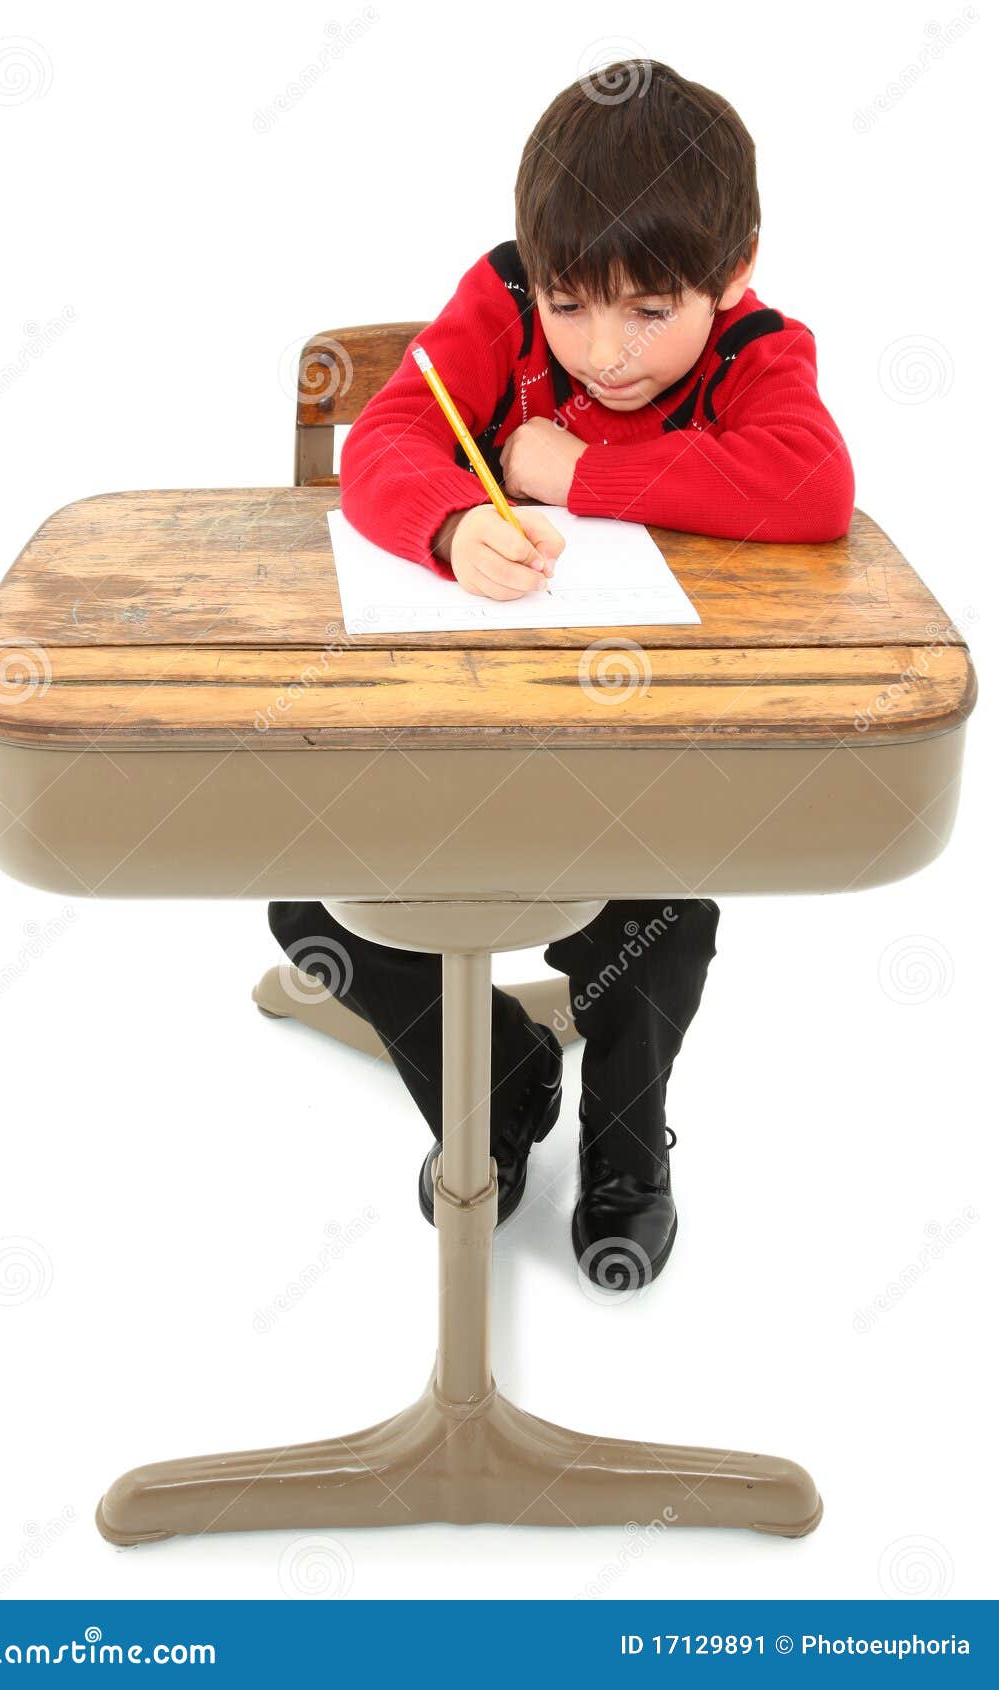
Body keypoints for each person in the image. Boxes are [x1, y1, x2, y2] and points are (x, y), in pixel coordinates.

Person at [270, 58, 854, 1288]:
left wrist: (573, 474)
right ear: (533, 271)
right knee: (304, 897)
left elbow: (809, 486)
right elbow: (385, 438)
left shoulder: (756, 348)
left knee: (658, 909)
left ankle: (627, 1143)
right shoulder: (498, 298)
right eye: (572, 305)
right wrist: (448, 522)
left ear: (732, 271)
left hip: (638, 747)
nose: (603, 352)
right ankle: (496, 1072)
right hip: (455, 732)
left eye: (650, 312)